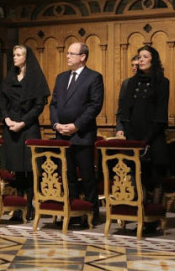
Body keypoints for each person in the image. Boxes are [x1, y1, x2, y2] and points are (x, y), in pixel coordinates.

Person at [50, 42, 104, 226]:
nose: (68, 56)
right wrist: (56, 124)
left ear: (82, 57)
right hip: (62, 135)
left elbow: (95, 106)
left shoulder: (93, 77)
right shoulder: (61, 77)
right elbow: (54, 104)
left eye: (72, 54)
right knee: (68, 175)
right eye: (67, 53)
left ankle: (91, 212)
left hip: (82, 135)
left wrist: (76, 126)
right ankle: (73, 211)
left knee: (87, 177)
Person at [0, 45, 50, 221]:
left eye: (18, 54)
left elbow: (38, 106)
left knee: (30, 168)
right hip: (11, 127)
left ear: (26, 57)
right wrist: (6, 119)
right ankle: (19, 206)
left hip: (28, 128)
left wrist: (23, 122)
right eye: (13, 54)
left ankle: (30, 204)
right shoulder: (10, 77)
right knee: (17, 169)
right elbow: (1, 101)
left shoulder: (34, 77)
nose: (14, 57)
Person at [117, 45, 169, 205]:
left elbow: (161, 114)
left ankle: (153, 219)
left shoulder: (162, 82)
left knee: (154, 178)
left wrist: (146, 141)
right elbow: (124, 112)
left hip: (153, 138)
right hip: (134, 138)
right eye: (139, 57)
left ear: (153, 59)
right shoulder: (131, 82)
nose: (141, 60)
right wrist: (132, 138)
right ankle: (140, 216)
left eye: (145, 56)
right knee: (136, 177)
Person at [116, 55, 139, 137]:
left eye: (137, 65)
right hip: (128, 128)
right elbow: (121, 108)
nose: (134, 68)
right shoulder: (126, 83)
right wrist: (119, 128)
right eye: (132, 65)